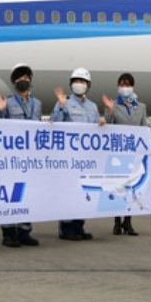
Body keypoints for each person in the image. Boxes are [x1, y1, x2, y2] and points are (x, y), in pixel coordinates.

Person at [51, 67, 105, 241]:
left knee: (83, 193)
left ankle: (79, 227)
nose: (79, 85)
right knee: (68, 192)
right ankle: (66, 229)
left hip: (86, 159)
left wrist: (103, 121)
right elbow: (54, 124)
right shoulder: (64, 102)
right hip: (68, 158)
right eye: (75, 81)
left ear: (88, 86)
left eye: (82, 82)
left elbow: (97, 130)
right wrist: (60, 106)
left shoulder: (93, 106)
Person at [0, 63, 42, 248]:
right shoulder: (8, 102)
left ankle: (24, 231)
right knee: (10, 195)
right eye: (20, 78)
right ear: (14, 81)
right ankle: (8, 232)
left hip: (30, 158)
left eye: (26, 77)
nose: (24, 80)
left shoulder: (37, 104)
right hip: (11, 157)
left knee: (27, 194)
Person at [102, 72, 147, 236]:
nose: (125, 88)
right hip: (117, 155)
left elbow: (144, 129)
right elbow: (107, 126)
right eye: (122, 84)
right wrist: (110, 110)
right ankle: (116, 222)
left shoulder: (141, 107)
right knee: (117, 188)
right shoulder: (113, 105)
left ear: (133, 87)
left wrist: (148, 150)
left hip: (134, 155)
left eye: (127, 84)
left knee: (131, 188)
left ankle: (128, 222)